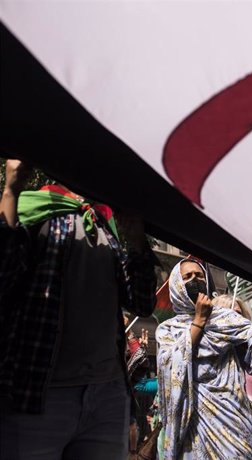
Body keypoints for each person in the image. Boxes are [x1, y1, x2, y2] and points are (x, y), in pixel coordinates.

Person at [0, 159, 157, 459]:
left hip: (106, 396)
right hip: (37, 394)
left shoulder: (104, 225)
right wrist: (10, 191)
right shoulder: (32, 210)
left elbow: (142, 303)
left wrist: (137, 242)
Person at [156, 259, 252, 459]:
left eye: (199, 275)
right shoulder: (168, 330)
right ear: (177, 287)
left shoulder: (225, 319)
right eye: (187, 277)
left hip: (233, 422)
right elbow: (170, 367)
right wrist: (199, 320)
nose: (195, 279)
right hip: (194, 426)